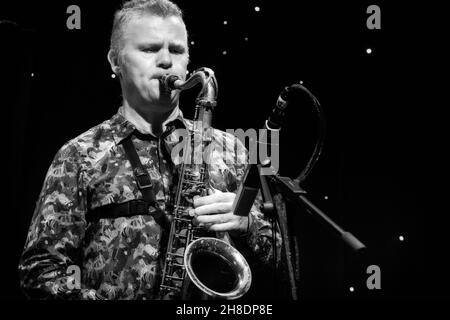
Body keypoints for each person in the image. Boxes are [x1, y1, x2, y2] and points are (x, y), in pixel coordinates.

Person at [18, 0, 281, 300]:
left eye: (178, 50)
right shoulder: (79, 155)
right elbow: (40, 270)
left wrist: (245, 224)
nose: (167, 61)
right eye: (149, 49)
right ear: (115, 61)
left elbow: (278, 261)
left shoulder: (232, 151)